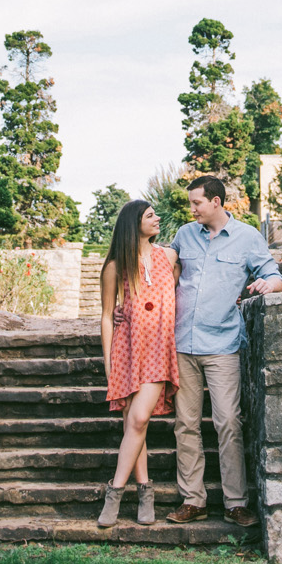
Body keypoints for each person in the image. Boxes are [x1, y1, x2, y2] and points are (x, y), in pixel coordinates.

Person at [166, 175, 282, 528]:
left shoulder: (248, 237)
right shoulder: (184, 235)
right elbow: (160, 273)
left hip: (222, 345)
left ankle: (235, 503)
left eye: (197, 203)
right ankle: (193, 500)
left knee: (228, 422)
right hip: (182, 343)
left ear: (216, 202)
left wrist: (267, 284)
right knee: (185, 424)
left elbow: (276, 276)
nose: (192, 210)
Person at [97, 198, 179, 528]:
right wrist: (108, 363)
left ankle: (114, 492)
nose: (157, 219)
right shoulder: (116, 266)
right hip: (127, 350)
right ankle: (146, 492)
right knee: (133, 422)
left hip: (160, 348)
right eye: (150, 215)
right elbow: (106, 316)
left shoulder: (170, 257)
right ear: (134, 223)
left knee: (139, 417)